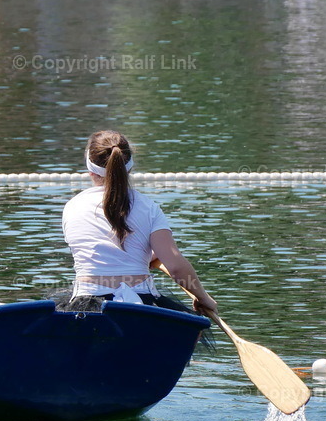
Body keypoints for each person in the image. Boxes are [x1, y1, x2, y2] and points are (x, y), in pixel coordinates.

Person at [61, 130, 217, 314]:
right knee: (193, 330)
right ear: (130, 167)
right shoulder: (148, 207)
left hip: (86, 306)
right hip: (142, 304)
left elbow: (100, 251)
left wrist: (144, 256)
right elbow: (175, 267)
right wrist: (204, 298)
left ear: (90, 170)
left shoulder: (72, 207)